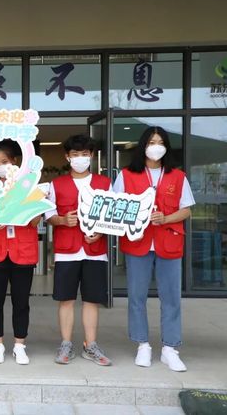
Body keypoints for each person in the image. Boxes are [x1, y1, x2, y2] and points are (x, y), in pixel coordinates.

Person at [113, 126, 194, 372]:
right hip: (138, 242)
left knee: (171, 297)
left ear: (166, 147)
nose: (155, 147)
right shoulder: (126, 175)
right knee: (136, 296)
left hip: (168, 241)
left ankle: (170, 348)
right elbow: (116, 208)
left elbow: (187, 209)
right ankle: (142, 345)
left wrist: (166, 218)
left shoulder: (177, 176)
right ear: (143, 146)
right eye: (151, 142)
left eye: (160, 142)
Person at [45, 134, 112, 366]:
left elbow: (113, 216)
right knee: (66, 299)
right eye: (75, 154)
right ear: (67, 157)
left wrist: (101, 232)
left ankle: (90, 345)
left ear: (91, 156)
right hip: (66, 250)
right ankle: (66, 344)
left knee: (92, 299)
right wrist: (62, 220)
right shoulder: (56, 185)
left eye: (84, 154)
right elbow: (49, 215)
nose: (80, 158)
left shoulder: (105, 183)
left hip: (96, 250)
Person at [0, 143, 39, 364]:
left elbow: (36, 219)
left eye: (4, 162)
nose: (1, 166)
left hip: (23, 251)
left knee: (21, 301)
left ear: (14, 162)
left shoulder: (29, 186)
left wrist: (30, 207)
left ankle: (19, 345)